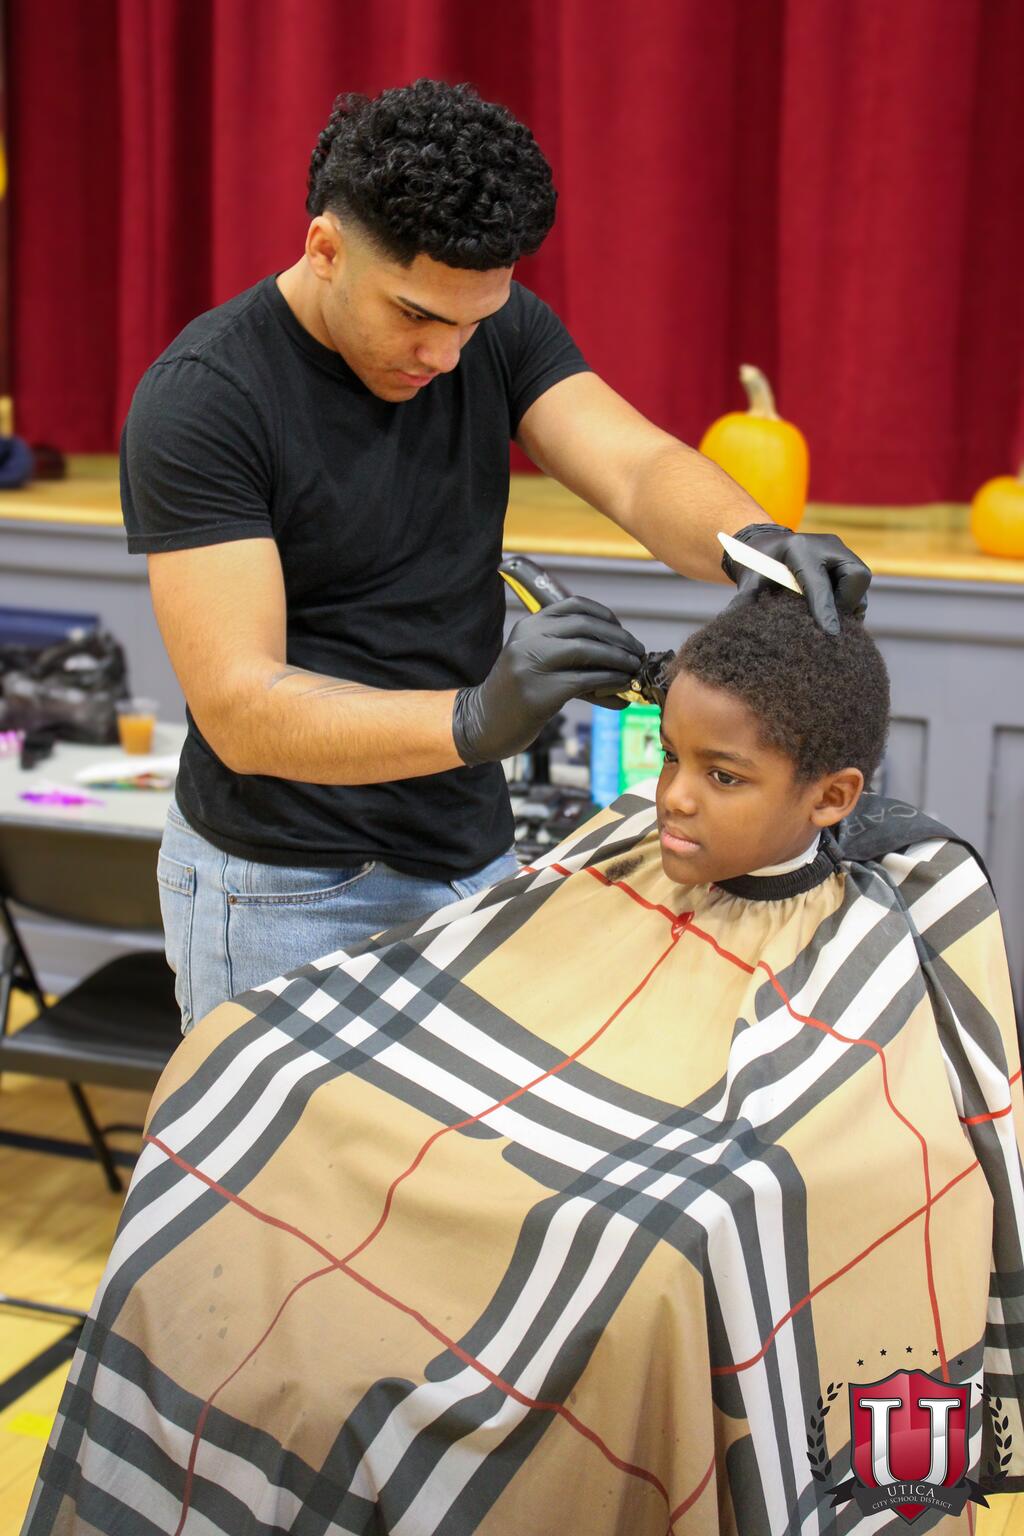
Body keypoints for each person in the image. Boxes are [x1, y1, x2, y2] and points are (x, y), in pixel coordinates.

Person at [28, 590, 1022, 1534]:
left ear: (833, 796)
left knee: (641, 1249)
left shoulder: (869, 946)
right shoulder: (623, 848)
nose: (673, 798)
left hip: (620, 1198)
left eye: (722, 777)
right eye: (670, 756)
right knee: (238, 1059)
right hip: (515, 1149)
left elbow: (867, 1141)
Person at [121, 79, 872, 1032]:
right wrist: (475, 719)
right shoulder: (205, 399)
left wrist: (752, 541)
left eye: (472, 323)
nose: (444, 355)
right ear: (325, 248)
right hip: (284, 888)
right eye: (414, 316)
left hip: (469, 852)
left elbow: (636, 468)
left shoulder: (487, 326)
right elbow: (245, 711)